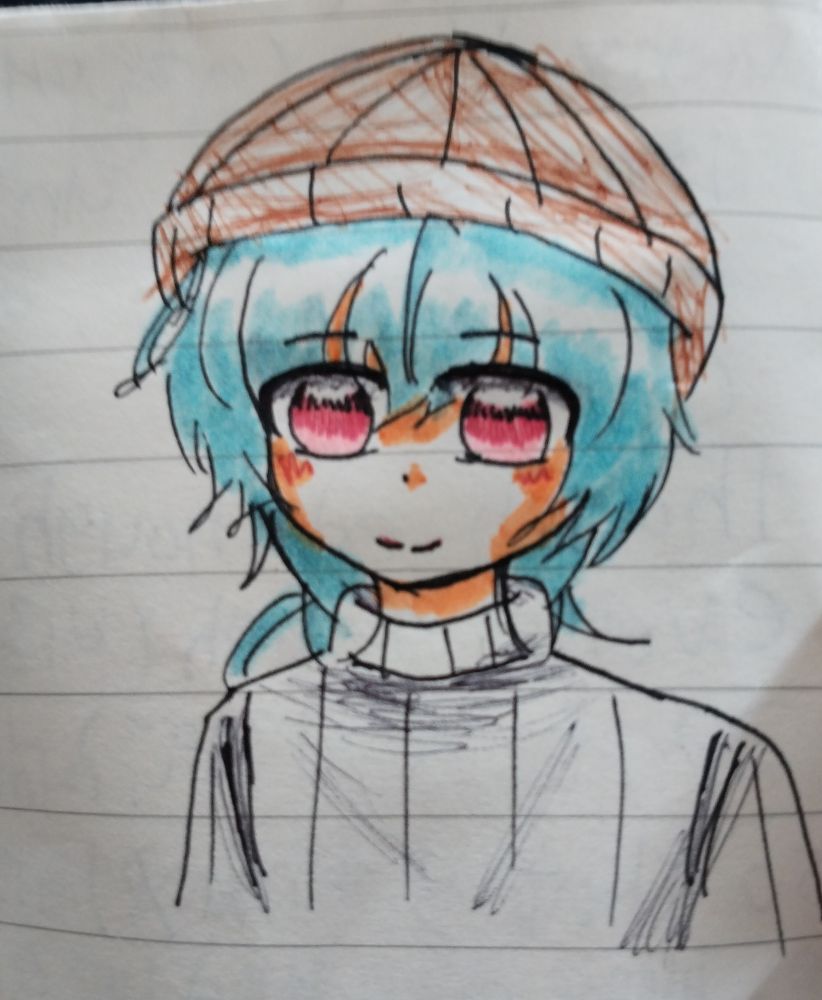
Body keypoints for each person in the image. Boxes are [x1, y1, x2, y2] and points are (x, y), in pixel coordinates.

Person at [121, 34, 821, 950]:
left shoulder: (710, 770)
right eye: (333, 404)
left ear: (599, 433)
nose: (413, 464)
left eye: (502, 411)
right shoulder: (248, 739)